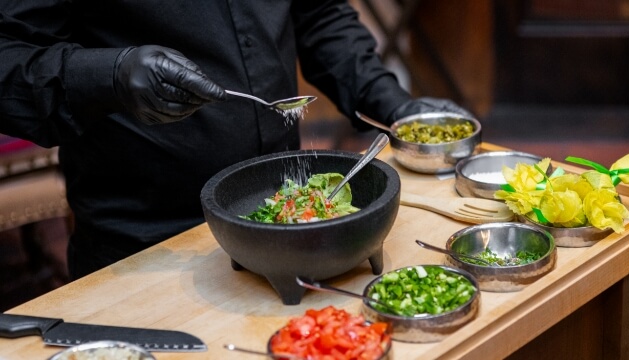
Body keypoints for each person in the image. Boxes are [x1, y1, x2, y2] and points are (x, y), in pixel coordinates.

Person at [0, 1, 471, 279]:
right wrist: (109, 75)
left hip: (292, 219)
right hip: (148, 241)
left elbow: (318, 13)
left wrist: (391, 103)